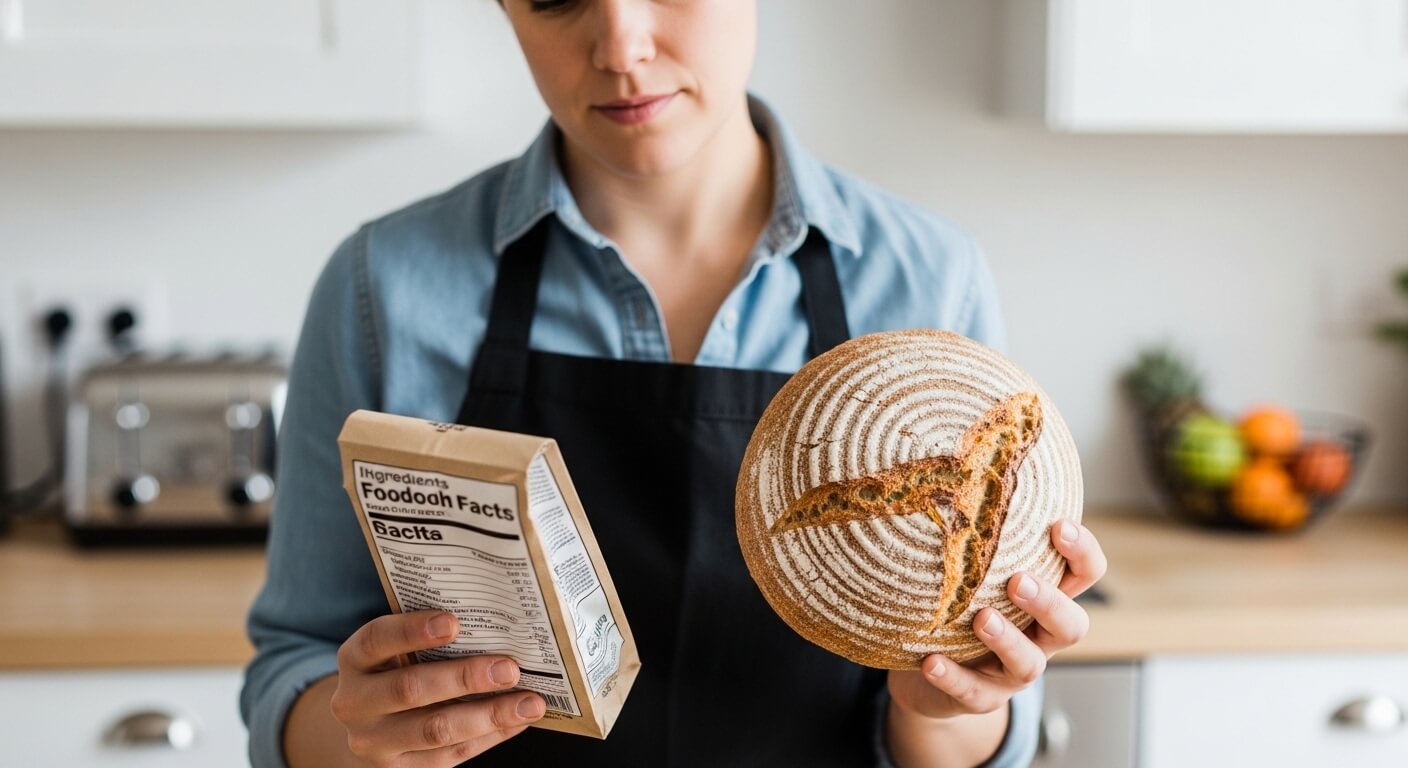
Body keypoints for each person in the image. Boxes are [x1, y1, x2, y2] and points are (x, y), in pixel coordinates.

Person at [240, 1, 1108, 766]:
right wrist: (361, 744)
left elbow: (969, 742)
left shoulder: (928, 280)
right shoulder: (380, 287)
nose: (620, 44)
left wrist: (944, 704)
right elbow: (296, 665)